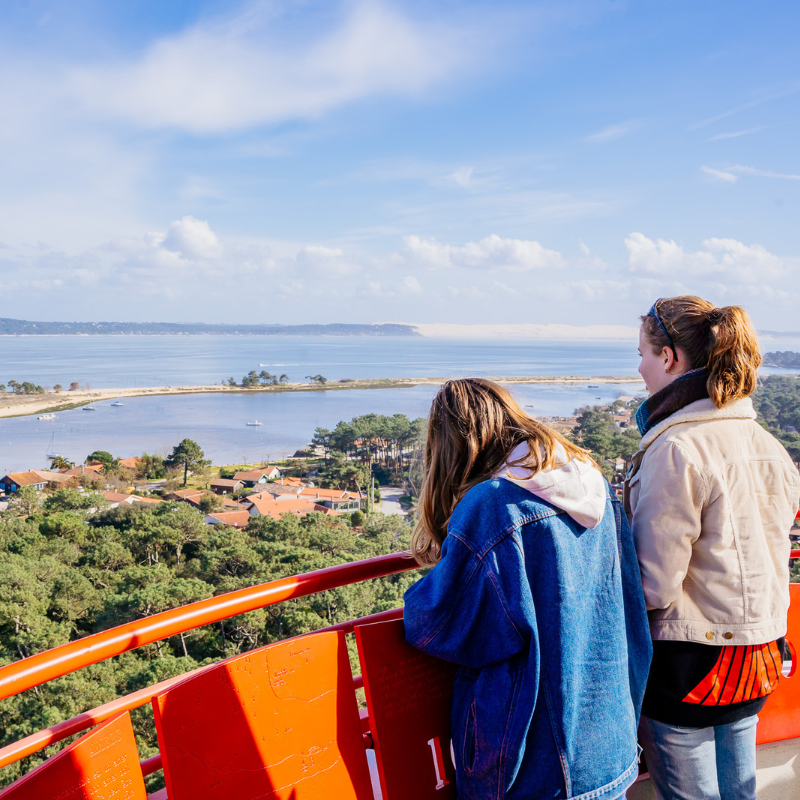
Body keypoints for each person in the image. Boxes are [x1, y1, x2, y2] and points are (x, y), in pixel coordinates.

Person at [404, 378, 652, 800]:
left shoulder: (493, 506)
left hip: (535, 759)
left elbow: (436, 623)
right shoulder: (591, 485)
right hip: (609, 737)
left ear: (450, 443)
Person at [625, 296, 800, 800]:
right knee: (737, 791)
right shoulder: (768, 445)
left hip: (692, 660)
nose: (639, 367)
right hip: (760, 651)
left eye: (641, 352)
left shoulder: (676, 448)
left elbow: (654, 584)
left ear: (669, 358)